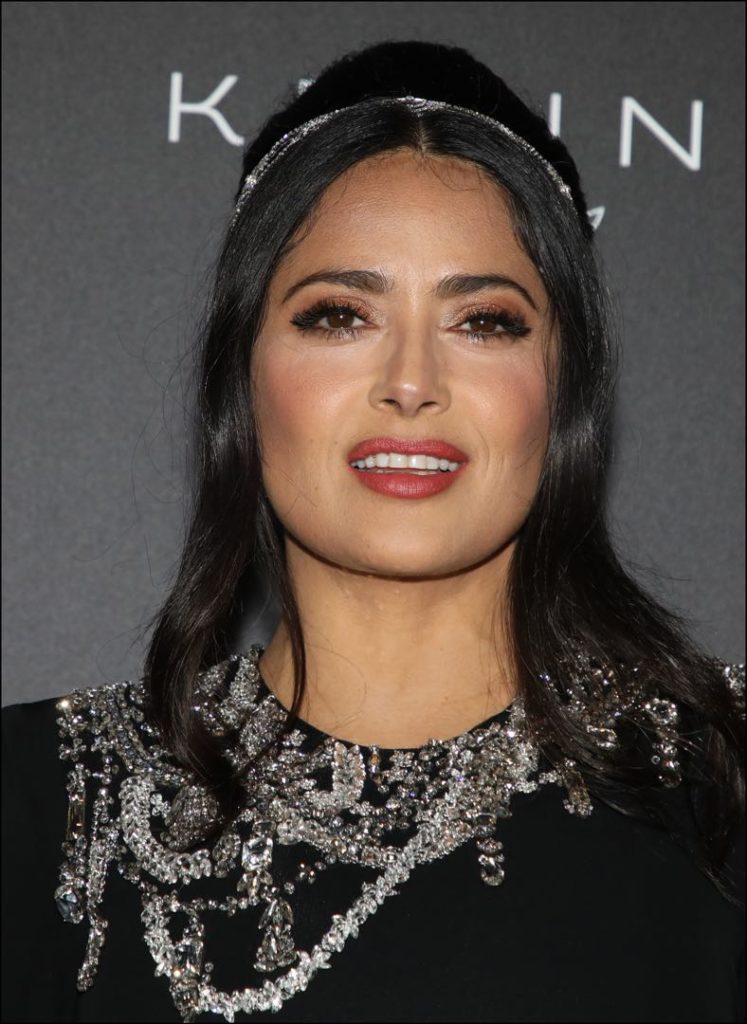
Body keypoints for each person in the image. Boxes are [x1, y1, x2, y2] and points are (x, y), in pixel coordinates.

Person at [2, 39, 744, 1024]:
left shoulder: (723, 783)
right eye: (338, 315)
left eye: (484, 321)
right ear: (242, 374)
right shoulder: (45, 804)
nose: (410, 381)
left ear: (565, 385)